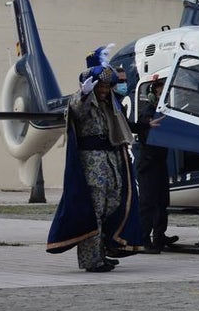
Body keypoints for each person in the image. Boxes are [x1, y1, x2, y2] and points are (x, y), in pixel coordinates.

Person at [47, 46, 144, 272]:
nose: (103, 90)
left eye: (106, 85)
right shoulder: (82, 100)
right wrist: (83, 94)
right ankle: (92, 260)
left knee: (113, 205)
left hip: (111, 161)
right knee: (94, 210)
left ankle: (103, 250)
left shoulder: (112, 103)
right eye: (100, 85)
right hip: (91, 164)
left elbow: (123, 128)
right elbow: (76, 111)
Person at [132, 74, 178, 252]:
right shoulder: (148, 112)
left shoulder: (164, 112)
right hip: (149, 163)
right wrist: (148, 124)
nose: (161, 96)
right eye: (159, 93)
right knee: (148, 203)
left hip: (159, 162)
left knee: (162, 201)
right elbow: (144, 126)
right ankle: (144, 239)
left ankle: (159, 236)